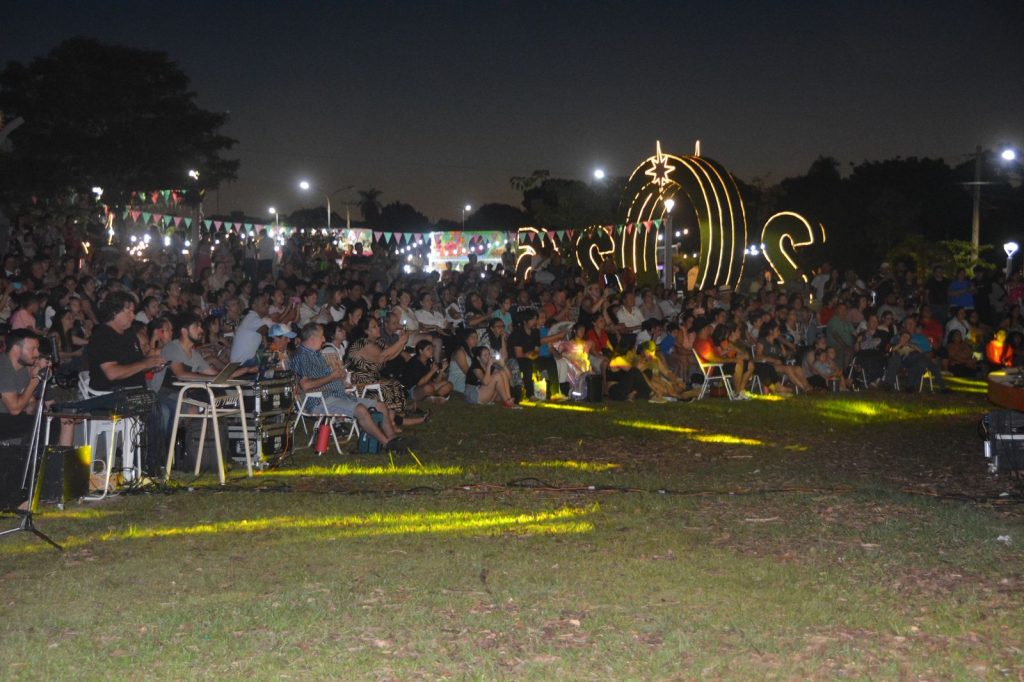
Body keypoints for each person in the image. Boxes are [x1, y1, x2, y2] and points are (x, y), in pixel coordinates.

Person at [289, 323, 402, 450]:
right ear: (312, 338)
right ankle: (387, 443)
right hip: (319, 401)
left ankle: (393, 438)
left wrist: (339, 377)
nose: (324, 340)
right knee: (360, 410)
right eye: (322, 337)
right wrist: (332, 377)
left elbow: (323, 377)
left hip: (337, 395)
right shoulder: (302, 356)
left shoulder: (316, 354)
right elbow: (305, 385)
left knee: (380, 406)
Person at [0, 330, 73, 445]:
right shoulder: (4, 367)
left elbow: (29, 404)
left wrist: (47, 411)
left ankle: (51, 460)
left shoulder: (23, 370)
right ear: (16, 350)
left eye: (37, 349)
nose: (37, 353)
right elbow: (14, 409)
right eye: (32, 349)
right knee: (42, 423)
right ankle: (36, 461)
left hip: (8, 417)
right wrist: (35, 379)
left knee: (54, 419)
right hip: (4, 418)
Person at [86, 291, 164, 392]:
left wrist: (151, 365)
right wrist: (145, 364)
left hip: (134, 392)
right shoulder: (102, 336)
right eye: (129, 312)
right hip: (112, 394)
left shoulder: (129, 333)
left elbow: (135, 365)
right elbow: (112, 373)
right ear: (115, 312)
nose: (133, 316)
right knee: (167, 406)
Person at [229, 294, 274, 363]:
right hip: (241, 363)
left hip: (246, 360)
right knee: (275, 357)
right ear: (254, 306)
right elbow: (267, 331)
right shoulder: (252, 317)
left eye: (267, 303)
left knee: (273, 354)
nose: (267, 305)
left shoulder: (255, 318)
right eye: (264, 303)